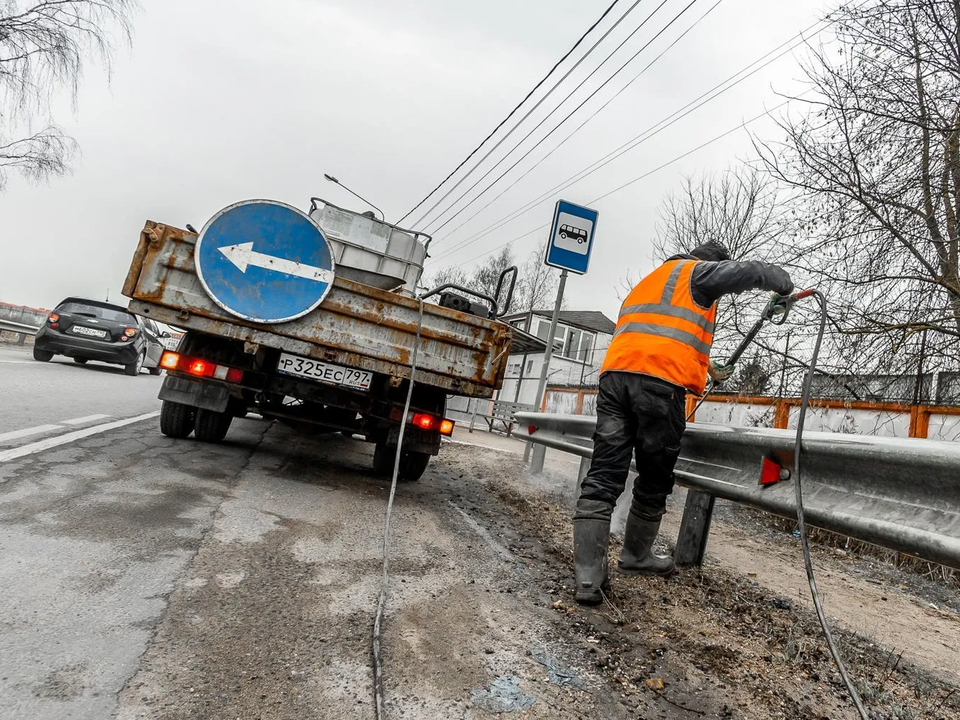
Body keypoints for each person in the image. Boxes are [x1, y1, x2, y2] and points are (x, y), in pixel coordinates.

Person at [573, 241, 794, 605]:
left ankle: (588, 579)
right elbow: (751, 272)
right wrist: (783, 285)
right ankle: (636, 556)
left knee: (603, 474)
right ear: (712, 264)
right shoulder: (699, 273)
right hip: (658, 388)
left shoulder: (653, 280)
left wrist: (706, 367)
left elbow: (656, 336)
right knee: (655, 475)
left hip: (615, 381)